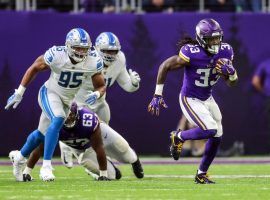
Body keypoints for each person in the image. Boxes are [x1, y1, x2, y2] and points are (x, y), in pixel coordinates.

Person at [6, 28, 106, 181]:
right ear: (68, 46)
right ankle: (46, 167)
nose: (81, 51)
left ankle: (19, 157)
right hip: (49, 93)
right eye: (77, 47)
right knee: (58, 118)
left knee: (41, 134)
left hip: (66, 100)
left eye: (84, 48)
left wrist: (97, 93)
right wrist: (20, 92)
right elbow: (34, 67)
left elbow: (101, 85)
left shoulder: (93, 60)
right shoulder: (57, 55)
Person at [148, 18, 238, 184]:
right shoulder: (191, 53)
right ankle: (179, 136)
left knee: (217, 134)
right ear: (201, 39)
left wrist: (232, 73)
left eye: (217, 38)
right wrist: (157, 95)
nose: (215, 42)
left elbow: (231, 83)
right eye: (211, 39)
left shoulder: (225, 51)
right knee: (210, 129)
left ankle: (201, 174)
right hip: (190, 98)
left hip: (207, 98)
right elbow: (165, 65)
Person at [60, 32, 141, 167]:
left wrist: (134, 83)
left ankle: (101, 160)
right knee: (83, 138)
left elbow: (127, 85)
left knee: (104, 134)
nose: (110, 54)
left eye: (113, 51)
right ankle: (67, 146)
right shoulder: (86, 59)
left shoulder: (120, 59)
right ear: (97, 49)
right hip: (79, 104)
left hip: (100, 102)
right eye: (106, 50)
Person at [15, 102, 144, 181]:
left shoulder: (88, 120)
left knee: (123, 149)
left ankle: (135, 161)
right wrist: (27, 171)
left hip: (98, 134)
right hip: (81, 149)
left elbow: (99, 147)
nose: (68, 119)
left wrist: (102, 174)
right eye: (65, 116)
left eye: (71, 115)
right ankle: (110, 170)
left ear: (77, 114)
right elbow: (40, 148)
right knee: (113, 176)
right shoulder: (54, 124)